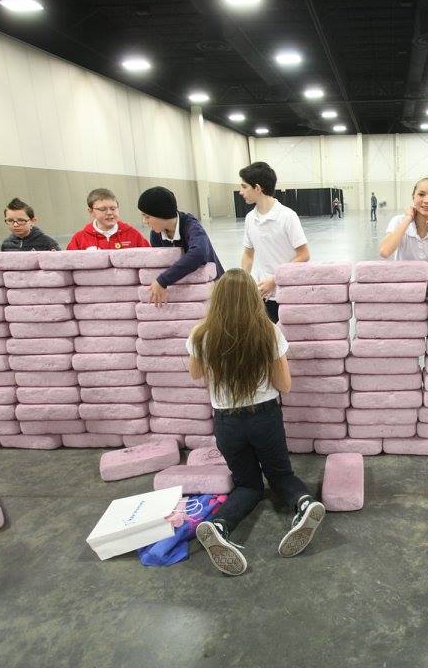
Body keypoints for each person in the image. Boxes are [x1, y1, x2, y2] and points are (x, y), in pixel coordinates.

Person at [188, 269, 326, 576]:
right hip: (264, 417)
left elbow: (196, 374)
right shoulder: (268, 332)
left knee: (248, 484)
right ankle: (304, 505)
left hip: (227, 423)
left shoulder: (201, 334)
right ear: (255, 298)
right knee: (280, 476)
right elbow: (285, 384)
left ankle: (219, 526)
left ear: (217, 300)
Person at [239, 162, 311, 323]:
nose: (241, 191)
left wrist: (275, 279)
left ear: (257, 188)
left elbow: (304, 255)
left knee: (287, 341)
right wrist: (244, 281)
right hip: (262, 294)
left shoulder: (287, 216)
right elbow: (248, 254)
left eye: (244, 187)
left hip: (287, 293)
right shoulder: (250, 219)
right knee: (265, 343)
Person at [136, 186, 223, 306]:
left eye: (147, 216)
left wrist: (163, 280)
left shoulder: (191, 227)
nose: (145, 221)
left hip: (213, 289)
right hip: (185, 292)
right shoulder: (156, 234)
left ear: (161, 213)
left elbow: (199, 254)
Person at [379, 176, 428, 280]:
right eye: (421, 194)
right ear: (413, 196)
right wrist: (407, 219)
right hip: (400, 285)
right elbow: (384, 251)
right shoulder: (398, 221)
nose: (426, 200)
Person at [67, 189, 150, 250]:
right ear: (91, 211)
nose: (109, 213)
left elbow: (149, 259)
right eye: (103, 209)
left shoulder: (133, 234)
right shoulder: (79, 239)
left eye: (113, 208)